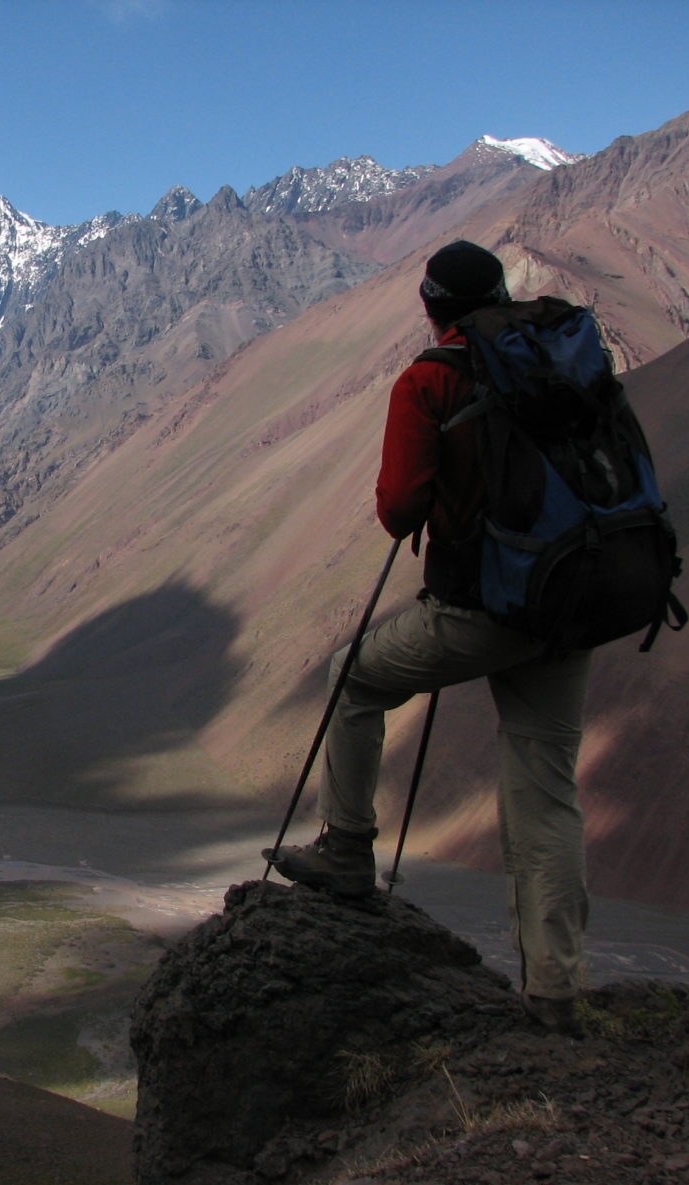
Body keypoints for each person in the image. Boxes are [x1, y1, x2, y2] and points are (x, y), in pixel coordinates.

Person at [271, 240, 592, 1037]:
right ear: (501, 293)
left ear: (430, 304)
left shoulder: (430, 379)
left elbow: (398, 510)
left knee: (355, 679)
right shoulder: (561, 350)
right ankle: (555, 993)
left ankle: (346, 847)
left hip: (485, 606)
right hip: (572, 599)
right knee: (547, 794)